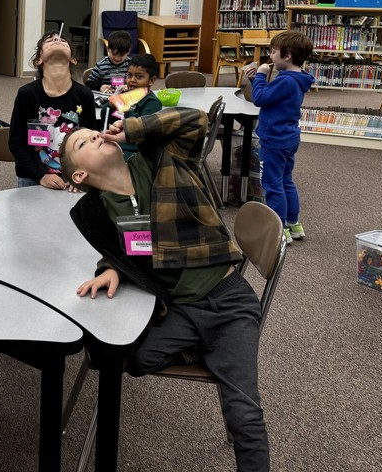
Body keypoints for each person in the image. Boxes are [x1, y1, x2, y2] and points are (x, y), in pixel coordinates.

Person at [59, 108, 269, 472]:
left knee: (244, 413)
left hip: (228, 299)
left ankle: (219, 353)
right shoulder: (98, 209)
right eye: (83, 141)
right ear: (80, 175)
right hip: (181, 308)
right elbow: (123, 250)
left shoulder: (162, 158)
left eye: (95, 132)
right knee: (134, 358)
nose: (95, 136)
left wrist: (136, 129)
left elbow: (195, 121)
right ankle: (207, 350)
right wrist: (111, 269)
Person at [243, 30, 315, 244]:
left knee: (272, 184)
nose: (270, 56)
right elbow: (271, 97)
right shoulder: (297, 79)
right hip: (288, 137)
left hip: (273, 139)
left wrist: (262, 77)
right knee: (286, 181)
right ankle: (294, 224)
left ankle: (279, 228)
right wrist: (257, 79)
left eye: (274, 52)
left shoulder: (284, 81)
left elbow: (260, 98)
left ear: (287, 55)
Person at [8, 31, 97, 189]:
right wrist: (41, 175)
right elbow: (16, 143)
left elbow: (90, 142)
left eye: (62, 40)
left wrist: (79, 174)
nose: (57, 39)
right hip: (33, 176)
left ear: (73, 59)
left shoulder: (84, 95)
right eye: (50, 40)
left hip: (73, 178)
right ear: (39, 60)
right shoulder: (27, 94)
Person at [105, 53, 163, 160]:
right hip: (113, 143)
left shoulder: (152, 103)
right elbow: (105, 116)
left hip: (134, 152)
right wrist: (110, 105)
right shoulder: (125, 95)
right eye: (129, 75)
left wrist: (126, 109)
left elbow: (139, 129)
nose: (132, 80)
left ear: (152, 80)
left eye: (139, 77)